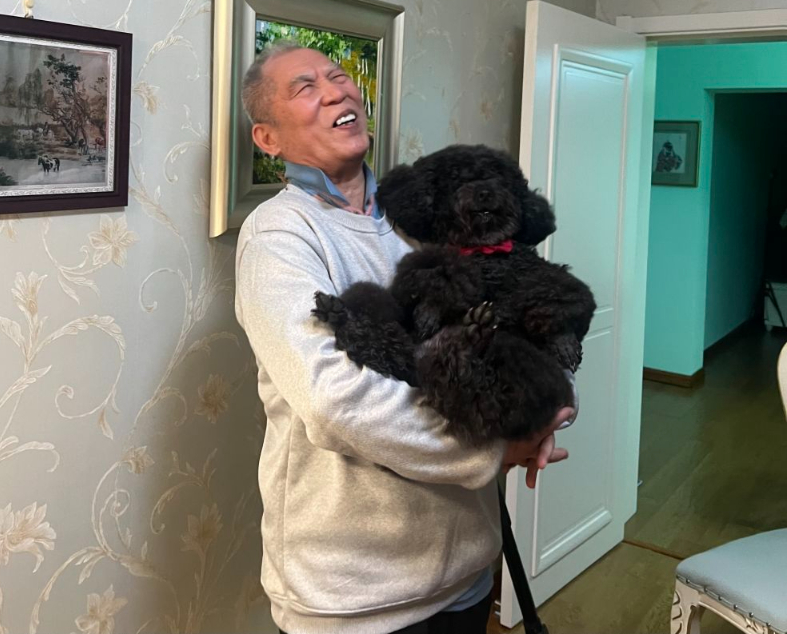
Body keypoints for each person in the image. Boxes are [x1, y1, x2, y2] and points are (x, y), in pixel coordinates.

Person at [234, 42, 574, 634]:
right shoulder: (278, 236)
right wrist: (492, 449)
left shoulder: (424, 219)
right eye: (306, 87)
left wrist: (545, 407)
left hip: (466, 571)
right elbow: (335, 401)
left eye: (338, 75)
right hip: (354, 595)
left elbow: (525, 308)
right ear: (268, 139)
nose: (336, 90)